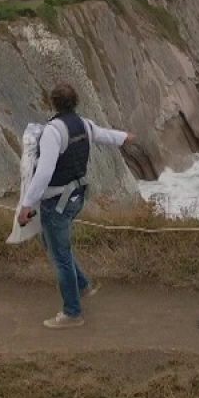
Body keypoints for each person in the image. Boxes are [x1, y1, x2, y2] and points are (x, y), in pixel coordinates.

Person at [16, 83, 134, 329]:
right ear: (76, 101)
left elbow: (44, 173)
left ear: (52, 103)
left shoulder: (52, 132)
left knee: (60, 256)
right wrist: (125, 138)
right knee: (52, 243)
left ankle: (72, 312)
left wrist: (27, 204)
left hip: (57, 202)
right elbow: (103, 135)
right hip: (77, 196)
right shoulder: (83, 124)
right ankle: (83, 286)